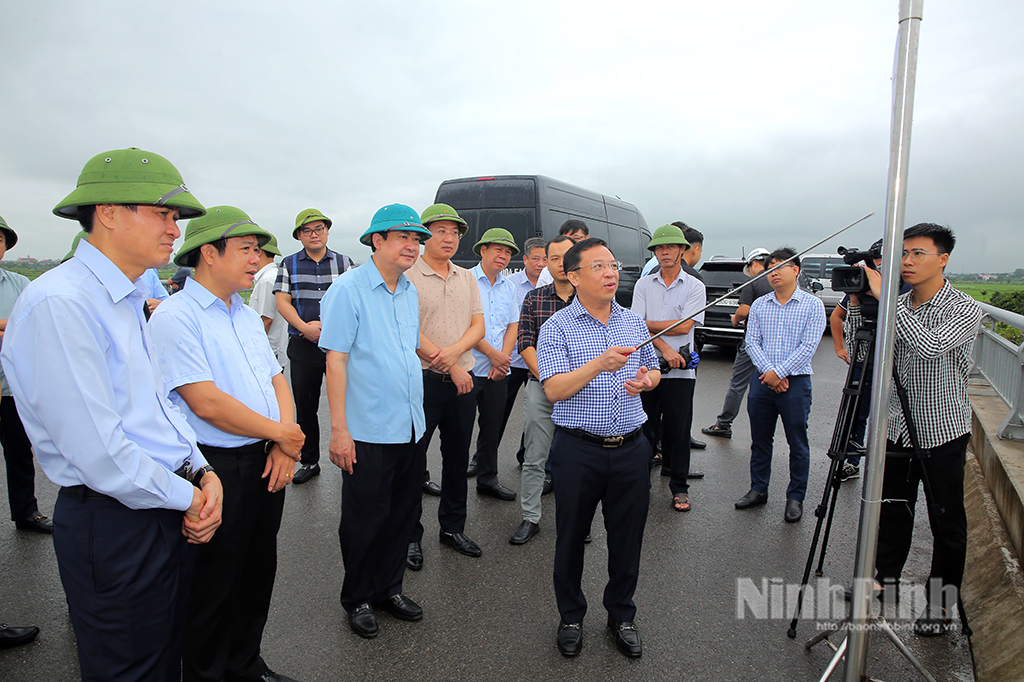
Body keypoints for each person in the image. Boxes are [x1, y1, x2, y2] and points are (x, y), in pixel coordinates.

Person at [0, 147, 223, 682]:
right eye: (163, 213)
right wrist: (191, 495)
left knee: (166, 656)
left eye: (176, 218)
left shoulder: (124, 298)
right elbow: (100, 453)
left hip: (161, 501)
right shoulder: (62, 302)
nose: (176, 230)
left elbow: (156, 408)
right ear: (108, 212)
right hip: (115, 520)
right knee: (130, 668)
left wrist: (201, 468)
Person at [149, 206, 303, 682]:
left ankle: (244, 663)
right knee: (212, 583)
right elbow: (206, 403)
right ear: (209, 254)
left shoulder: (242, 314)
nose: (256, 259)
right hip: (214, 465)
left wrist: (285, 444)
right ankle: (206, 673)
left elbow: (277, 377)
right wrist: (282, 434)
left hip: (263, 457)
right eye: (246, 249)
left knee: (257, 571)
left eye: (258, 250)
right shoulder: (177, 316)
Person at [848, 223, 981, 636]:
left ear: (943, 259)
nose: (906, 261)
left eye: (917, 253)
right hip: (896, 427)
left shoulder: (964, 307)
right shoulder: (896, 306)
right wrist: (857, 305)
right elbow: (859, 352)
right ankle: (882, 582)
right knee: (891, 511)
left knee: (946, 522)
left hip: (942, 431)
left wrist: (884, 299)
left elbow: (928, 346)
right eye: (902, 253)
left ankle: (940, 606)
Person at [537, 237, 660, 659]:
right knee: (570, 536)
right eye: (599, 267)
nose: (611, 273)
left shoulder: (632, 322)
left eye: (613, 265)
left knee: (628, 538)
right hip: (578, 450)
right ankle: (571, 616)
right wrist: (598, 364)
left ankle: (621, 615)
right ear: (573, 276)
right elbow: (554, 389)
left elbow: (654, 370)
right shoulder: (557, 327)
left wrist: (647, 380)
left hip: (631, 448)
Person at [320, 204, 432, 639]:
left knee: (402, 515)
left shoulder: (408, 291)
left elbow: (406, 354)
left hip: (409, 426)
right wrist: (339, 429)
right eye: (403, 237)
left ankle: (389, 589)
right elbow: (337, 359)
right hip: (366, 429)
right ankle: (359, 597)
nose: (412, 245)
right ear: (376, 241)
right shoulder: (348, 289)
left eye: (416, 239)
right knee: (366, 518)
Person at [405, 203, 485, 570]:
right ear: (425, 236)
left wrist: (453, 358)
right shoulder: (407, 275)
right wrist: (451, 364)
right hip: (421, 381)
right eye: (441, 231)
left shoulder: (467, 278)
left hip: (461, 383)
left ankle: (452, 528)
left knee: (456, 459)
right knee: (412, 461)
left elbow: (477, 328)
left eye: (454, 232)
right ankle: (409, 536)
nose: (449, 238)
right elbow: (408, 330)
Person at [734, 248, 825, 523]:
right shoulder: (761, 304)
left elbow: (809, 346)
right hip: (762, 381)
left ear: (795, 270)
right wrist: (770, 374)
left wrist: (780, 373)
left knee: (797, 443)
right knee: (760, 441)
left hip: (795, 383)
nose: (773, 273)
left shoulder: (812, 305)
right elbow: (752, 342)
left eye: (779, 267)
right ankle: (758, 489)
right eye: (770, 268)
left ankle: (795, 496)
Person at [274, 209, 353, 484]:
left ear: (327, 231)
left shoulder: (345, 263)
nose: (314, 234)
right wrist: (305, 327)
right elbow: (283, 301)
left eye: (319, 228)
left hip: (339, 347)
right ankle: (309, 461)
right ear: (299, 236)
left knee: (348, 403)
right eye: (307, 231)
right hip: (303, 345)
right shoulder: (288, 264)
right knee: (305, 407)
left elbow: (354, 301)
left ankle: (352, 454)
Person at [632, 225, 705, 512]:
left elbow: (687, 325)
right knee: (644, 428)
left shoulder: (695, 286)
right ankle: (640, 485)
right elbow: (637, 324)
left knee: (678, 430)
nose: (664, 252)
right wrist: (664, 348)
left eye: (670, 247)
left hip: (682, 371)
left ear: (682, 250)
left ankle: (680, 487)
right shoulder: (643, 285)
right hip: (648, 368)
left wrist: (651, 328)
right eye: (659, 249)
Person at [509, 235, 576, 545]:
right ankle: (531, 516)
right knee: (536, 456)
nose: (561, 263)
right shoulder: (534, 299)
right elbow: (525, 343)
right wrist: (550, 379)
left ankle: (575, 521)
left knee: (575, 459)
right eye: (554, 258)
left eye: (567, 257)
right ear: (546, 262)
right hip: (541, 387)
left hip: (582, 391)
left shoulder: (589, 297)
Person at [0, 215, 52, 533]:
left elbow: (34, 322)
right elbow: (17, 324)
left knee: (19, 452)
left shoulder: (20, 283)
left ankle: (26, 512)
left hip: (10, 386)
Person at [465, 229, 520, 501]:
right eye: (498, 249)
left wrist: (503, 359)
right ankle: (452, 484)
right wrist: (492, 354)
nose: (503, 256)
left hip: (499, 371)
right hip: (469, 367)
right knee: (459, 430)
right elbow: (465, 326)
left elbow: (513, 325)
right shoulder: (466, 281)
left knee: (492, 428)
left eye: (508, 252)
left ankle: (488, 479)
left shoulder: (509, 287)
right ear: (483, 250)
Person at [482, 235, 546, 470]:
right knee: (496, 417)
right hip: (511, 361)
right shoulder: (512, 283)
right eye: (536, 258)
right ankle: (481, 461)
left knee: (534, 416)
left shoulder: (553, 286)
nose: (541, 263)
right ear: (526, 259)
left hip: (538, 363)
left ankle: (525, 457)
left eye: (546, 259)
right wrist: (502, 358)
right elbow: (512, 324)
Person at [702, 247, 773, 439]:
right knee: (772, 384)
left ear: (754, 264)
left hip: (753, 343)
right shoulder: (779, 281)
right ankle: (766, 429)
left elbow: (743, 311)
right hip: (776, 344)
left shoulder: (753, 282)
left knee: (738, 384)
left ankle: (723, 424)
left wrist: (735, 320)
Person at [249, 233, 287, 366]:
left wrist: (252, 348)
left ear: (258, 252)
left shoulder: (267, 279)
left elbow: (266, 319)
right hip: (273, 349)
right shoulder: (272, 275)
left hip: (268, 350)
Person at [536, 219, 588, 287]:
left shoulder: (593, 266)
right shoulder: (547, 273)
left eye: (576, 238)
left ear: (587, 238)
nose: (561, 263)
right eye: (555, 259)